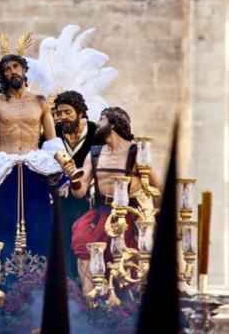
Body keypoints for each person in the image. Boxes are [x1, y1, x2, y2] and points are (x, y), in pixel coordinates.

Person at [0, 54, 64, 261]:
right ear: (2, 75)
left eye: (16, 66)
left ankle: (38, 280)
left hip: (34, 166)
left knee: (37, 219)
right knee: (0, 220)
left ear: (23, 69)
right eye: (7, 69)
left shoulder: (40, 102)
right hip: (4, 167)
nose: (13, 71)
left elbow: (51, 141)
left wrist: (65, 165)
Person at [61, 107, 163, 295]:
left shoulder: (136, 152)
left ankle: (125, 306)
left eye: (101, 119)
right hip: (100, 213)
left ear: (114, 123)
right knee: (83, 240)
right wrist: (73, 178)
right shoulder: (95, 153)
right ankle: (88, 300)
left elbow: (158, 188)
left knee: (129, 262)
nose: (97, 124)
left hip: (128, 215)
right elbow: (80, 191)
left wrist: (156, 222)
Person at [39, 90, 105, 281]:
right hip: (59, 200)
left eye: (67, 112)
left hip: (88, 199)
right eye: (59, 113)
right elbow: (41, 159)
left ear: (80, 112)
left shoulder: (95, 132)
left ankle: (86, 287)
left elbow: (103, 161)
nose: (63, 117)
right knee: (60, 241)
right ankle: (63, 286)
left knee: (84, 242)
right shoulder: (53, 134)